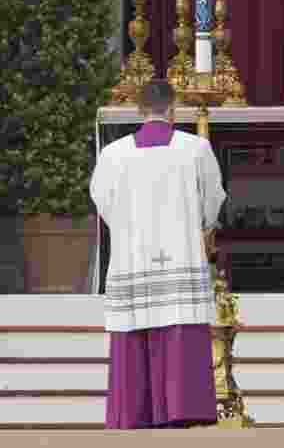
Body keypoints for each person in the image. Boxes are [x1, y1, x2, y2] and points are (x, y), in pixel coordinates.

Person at [90, 79, 224, 429]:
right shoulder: (196, 149)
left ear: (139, 109)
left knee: (134, 325)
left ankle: (133, 412)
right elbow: (213, 200)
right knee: (178, 323)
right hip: (180, 253)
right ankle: (181, 409)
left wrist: (126, 228)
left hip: (132, 256)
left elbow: (101, 201)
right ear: (173, 108)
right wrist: (203, 225)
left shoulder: (113, 154)